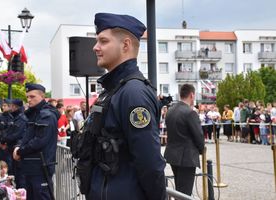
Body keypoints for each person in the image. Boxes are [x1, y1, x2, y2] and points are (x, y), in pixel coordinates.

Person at [78, 13, 166, 200]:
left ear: (125, 45)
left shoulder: (133, 93)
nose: (95, 47)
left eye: (103, 41)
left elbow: (149, 162)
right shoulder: (113, 90)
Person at [13, 83, 60, 200]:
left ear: (42, 96)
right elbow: (27, 135)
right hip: (32, 166)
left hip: (40, 167)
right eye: (27, 97)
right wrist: (18, 147)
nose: (29, 100)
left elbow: (39, 141)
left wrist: (20, 152)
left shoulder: (46, 115)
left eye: (32, 96)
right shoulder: (34, 113)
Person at [164, 84, 204, 196]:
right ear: (192, 95)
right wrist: (201, 150)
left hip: (173, 156)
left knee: (179, 192)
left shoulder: (170, 110)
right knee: (185, 194)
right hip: (186, 157)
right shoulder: (190, 112)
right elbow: (199, 136)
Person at [1, 99, 27, 189]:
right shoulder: (15, 117)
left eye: (11, 106)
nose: (10, 108)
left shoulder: (22, 118)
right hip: (12, 149)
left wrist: (4, 140)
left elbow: (16, 134)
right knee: (17, 175)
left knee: (21, 177)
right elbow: (7, 131)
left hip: (18, 149)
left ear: (16, 107)